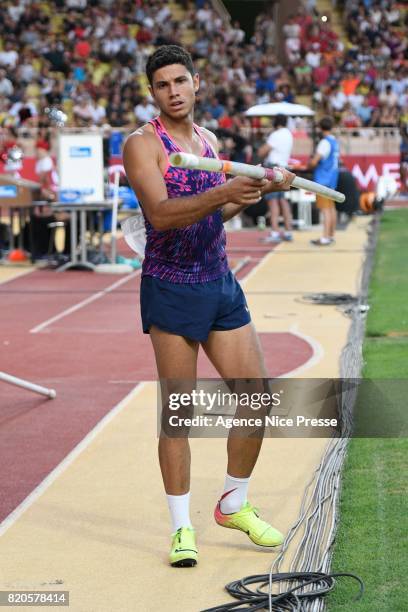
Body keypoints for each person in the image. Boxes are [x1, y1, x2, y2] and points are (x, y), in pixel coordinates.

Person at [123, 45, 294, 568]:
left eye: (181, 81)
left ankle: (233, 502)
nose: (173, 91)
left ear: (197, 84)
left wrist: (260, 190)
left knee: (258, 397)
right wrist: (224, 195)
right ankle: (181, 527)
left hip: (219, 281)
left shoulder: (209, 141)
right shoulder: (141, 145)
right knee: (179, 412)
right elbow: (164, 214)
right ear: (152, 92)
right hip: (171, 286)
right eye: (162, 84)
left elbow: (214, 216)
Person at [258, 114, 294, 243]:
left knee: (272, 201)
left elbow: (262, 152)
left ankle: (274, 232)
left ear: (276, 122)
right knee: (283, 201)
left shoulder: (276, 134)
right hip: (285, 167)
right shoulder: (289, 134)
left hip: (274, 168)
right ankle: (288, 231)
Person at [308, 116, 339, 246]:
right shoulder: (334, 141)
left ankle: (325, 237)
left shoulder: (324, 142)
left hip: (323, 179)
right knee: (331, 208)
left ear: (320, 128)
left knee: (325, 209)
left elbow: (315, 161)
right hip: (332, 178)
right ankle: (330, 235)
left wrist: (310, 164)